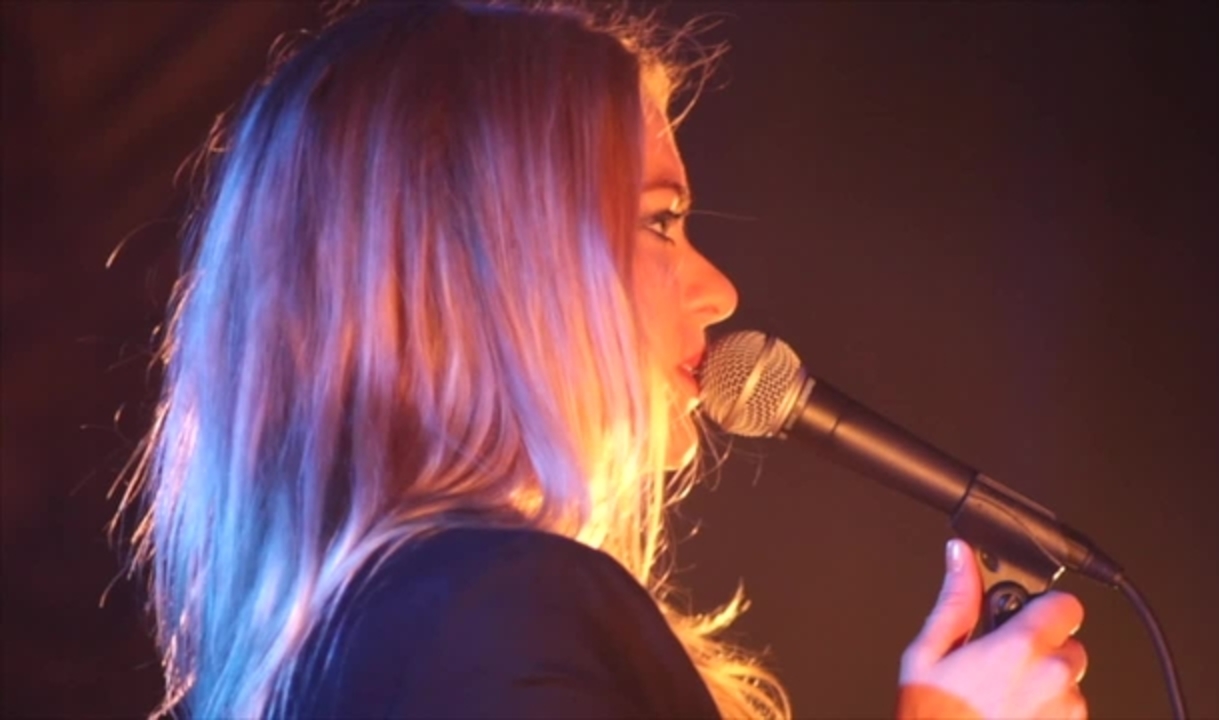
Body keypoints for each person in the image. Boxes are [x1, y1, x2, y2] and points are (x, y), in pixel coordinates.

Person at [115, 1, 1089, 718]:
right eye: (659, 221)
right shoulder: (499, 604)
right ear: (492, 265)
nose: (719, 291)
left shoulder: (363, 630)